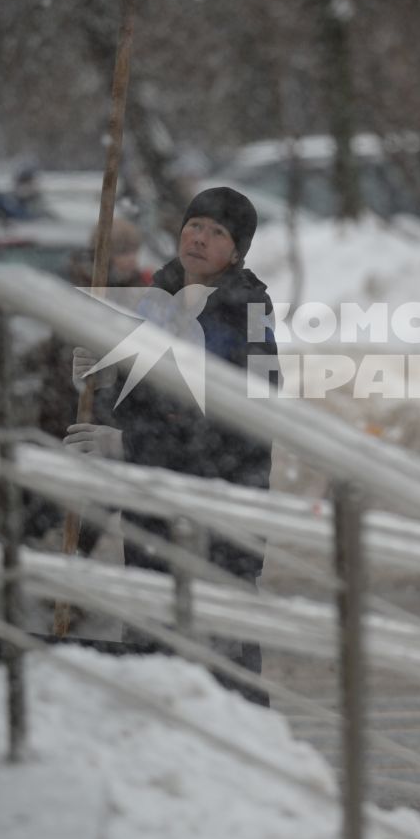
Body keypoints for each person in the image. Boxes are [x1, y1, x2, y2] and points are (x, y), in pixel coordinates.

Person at [64, 187, 279, 701]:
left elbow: (235, 424)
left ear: (237, 251)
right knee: (152, 666)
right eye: (195, 225)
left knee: (226, 675)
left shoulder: (248, 316)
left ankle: (248, 769)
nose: (200, 238)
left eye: (218, 232)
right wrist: (100, 380)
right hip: (153, 518)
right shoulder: (156, 300)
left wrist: (129, 447)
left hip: (220, 521)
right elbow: (143, 401)